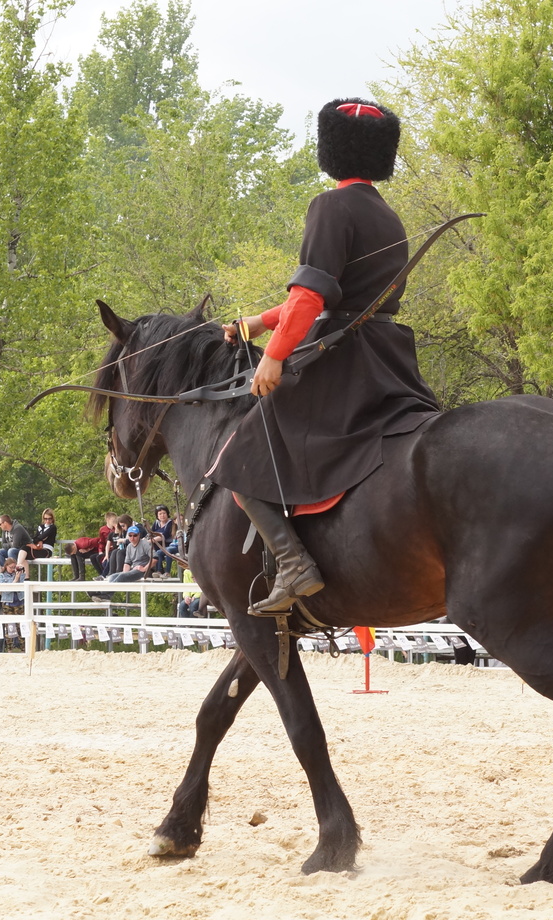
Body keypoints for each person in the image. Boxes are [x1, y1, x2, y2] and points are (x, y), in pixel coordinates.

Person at [214, 98, 440, 616]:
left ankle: (293, 563)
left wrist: (272, 355)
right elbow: (324, 294)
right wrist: (257, 322)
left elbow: (314, 298)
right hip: (388, 355)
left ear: (331, 149)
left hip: (344, 358)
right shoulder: (388, 215)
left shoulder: (330, 206)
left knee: (240, 452)